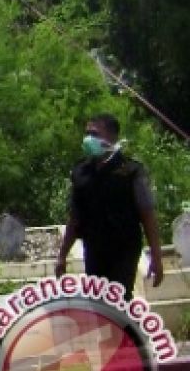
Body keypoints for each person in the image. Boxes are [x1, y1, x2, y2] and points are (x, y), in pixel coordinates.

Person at [55, 113, 164, 299]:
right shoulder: (81, 171)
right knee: (97, 301)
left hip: (124, 249)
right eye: (87, 133)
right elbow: (75, 217)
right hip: (94, 247)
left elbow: (147, 215)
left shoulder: (131, 171)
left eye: (95, 134)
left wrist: (156, 256)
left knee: (119, 299)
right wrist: (62, 255)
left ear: (112, 137)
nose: (89, 139)